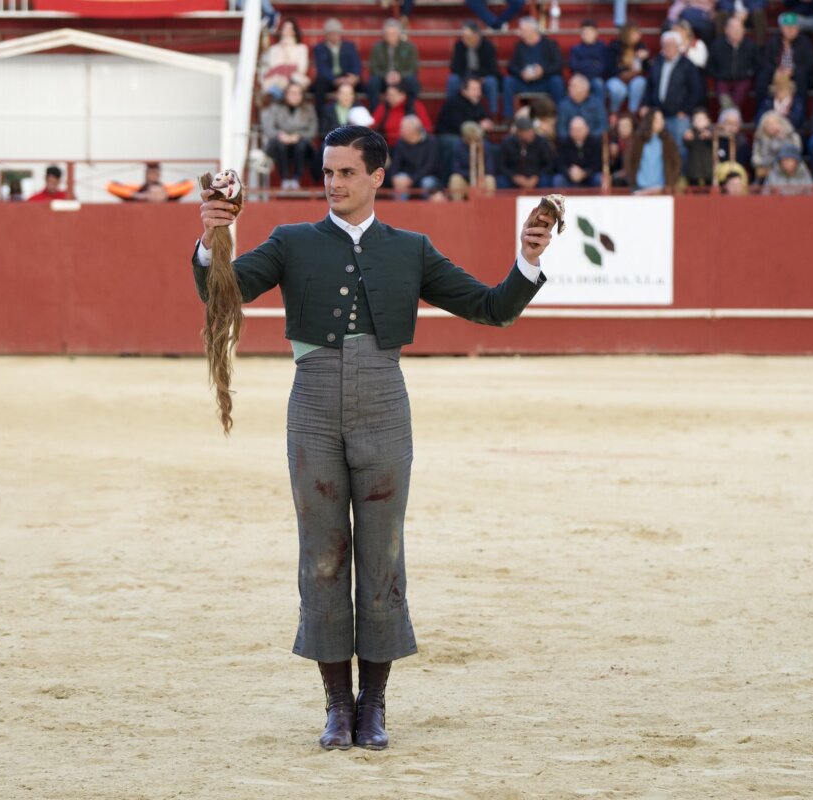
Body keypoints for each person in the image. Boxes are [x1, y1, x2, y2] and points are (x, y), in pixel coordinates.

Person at [192, 123, 552, 752]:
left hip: (384, 400)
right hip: (312, 399)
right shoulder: (292, 241)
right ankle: (337, 705)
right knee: (323, 551)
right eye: (327, 173)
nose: (334, 184)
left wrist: (528, 258)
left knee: (382, 552)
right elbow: (222, 294)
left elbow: (492, 307)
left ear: (378, 175)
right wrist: (211, 238)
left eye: (347, 173)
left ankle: (374, 705)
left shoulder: (409, 248)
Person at [645, 30, 704, 149]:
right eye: (665, 45)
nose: (668, 48)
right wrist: (645, 104)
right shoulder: (657, 62)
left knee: (679, 149)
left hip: (678, 115)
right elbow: (650, 85)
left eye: (671, 45)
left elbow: (695, 89)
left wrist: (686, 110)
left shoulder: (687, 65)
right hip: (658, 114)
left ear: (678, 46)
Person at [502, 16, 564, 118]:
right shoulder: (519, 46)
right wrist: (521, 73)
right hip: (525, 82)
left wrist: (543, 71)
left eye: (523, 30)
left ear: (533, 31)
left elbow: (558, 65)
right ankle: (508, 117)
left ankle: (559, 116)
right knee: (508, 81)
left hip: (544, 81)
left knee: (556, 81)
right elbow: (511, 67)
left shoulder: (549, 44)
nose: (520, 32)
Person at [263, 82, 318, 190]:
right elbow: (269, 128)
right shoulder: (275, 108)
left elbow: (312, 130)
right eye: (292, 93)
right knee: (280, 144)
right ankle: (284, 179)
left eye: (298, 93)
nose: (295, 96)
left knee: (301, 145)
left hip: (301, 143)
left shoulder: (309, 108)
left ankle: (296, 179)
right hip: (279, 142)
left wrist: (298, 136)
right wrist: (281, 135)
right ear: (286, 94)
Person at [758, 12, 813, 99]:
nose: (790, 30)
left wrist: (793, 71)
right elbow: (765, 61)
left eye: (793, 27)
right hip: (777, 73)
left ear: (798, 29)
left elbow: (810, 63)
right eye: (787, 27)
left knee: (801, 75)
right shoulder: (773, 41)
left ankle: (800, 109)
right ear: (782, 29)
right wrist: (775, 71)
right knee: (763, 76)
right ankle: (761, 109)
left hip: (795, 74)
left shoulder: (805, 42)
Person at [446, 22, 500, 116]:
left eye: (468, 36)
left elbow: (492, 69)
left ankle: (493, 114)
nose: (465, 39)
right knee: (453, 80)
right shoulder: (459, 46)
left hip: (482, 78)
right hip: (465, 77)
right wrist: (468, 78)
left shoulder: (488, 46)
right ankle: (451, 110)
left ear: (476, 35)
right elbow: (455, 67)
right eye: (463, 36)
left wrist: (477, 78)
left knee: (491, 82)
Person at [708, 16, 759, 112]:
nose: (737, 31)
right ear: (726, 30)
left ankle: (729, 113)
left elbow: (758, 64)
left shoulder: (751, 45)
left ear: (744, 30)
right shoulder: (717, 45)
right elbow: (710, 65)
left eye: (739, 28)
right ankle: (731, 114)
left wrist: (749, 73)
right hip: (723, 79)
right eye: (733, 28)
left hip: (743, 78)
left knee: (743, 87)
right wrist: (718, 75)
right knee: (721, 88)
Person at [625, 107, 681, 193]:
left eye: (662, 119)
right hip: (640, 188)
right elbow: (629, 160)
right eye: (657, 119)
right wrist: (632, 180)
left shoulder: (668, 141)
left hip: (661, 189)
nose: (661, 122)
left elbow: (676, 162)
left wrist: (671, 181)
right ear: (650, 120)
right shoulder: (638, 140)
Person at [310, 18, 362, 110]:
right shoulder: (319, 48)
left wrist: (354, 76)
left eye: (336, 33)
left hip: (346, 76)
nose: (334, 36)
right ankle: (321, 115)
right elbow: (322, 68)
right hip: (329, 79)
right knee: (319, 85)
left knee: (359, 86)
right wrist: (335, 79)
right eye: (331, 33)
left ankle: (356, 114)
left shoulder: (349, 46)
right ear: (326, 35)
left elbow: (356, 63)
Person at [366, 19, 420, 106]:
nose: (391, 36)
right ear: (384, 35)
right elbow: (374, 68)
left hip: (402, 79)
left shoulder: (410, 47)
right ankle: (374, 113)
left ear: (399, 34)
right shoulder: (377, 47)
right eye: (388, 34)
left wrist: (400, 75)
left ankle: (410, 112)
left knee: (413, 82)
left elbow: (413, 68)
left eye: (393, 34)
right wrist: (386, 76)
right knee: (372, 83)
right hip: (384, 79)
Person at [388, 115, 441, 200]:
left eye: (403, 128)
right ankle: (399, 210)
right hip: (406, 177)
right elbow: (395, 164)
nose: (400, 131)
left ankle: (427, 211)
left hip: (426, 176)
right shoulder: (400, 143)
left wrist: (412, 179)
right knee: (400, 179)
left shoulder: (431, 142)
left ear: (414, 130)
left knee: (427, 182)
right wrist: (394, 177)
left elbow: (430, 166)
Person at [496, 114, 555, 187]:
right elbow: (500, 165)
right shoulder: (507, 143)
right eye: (527, 132)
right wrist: (514, 176)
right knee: (501, 180)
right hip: (514, 176)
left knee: (546, 180)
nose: (531, 134)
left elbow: (549, 164)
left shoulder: (541, 142)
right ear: (519, 133)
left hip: (536, 176)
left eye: (532, 131)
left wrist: (536, 177)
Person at [261, 19, 310, 101]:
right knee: (275, 86)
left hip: (294, 80)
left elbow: (301, 69)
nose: (287, 32)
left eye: (290, 29)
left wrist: (288, 50)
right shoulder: (274, 49)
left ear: (294, 32)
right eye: (285, 28)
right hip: (276, 80)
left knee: (291, 86)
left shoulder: (301, 48)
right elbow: (273, 68)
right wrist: (282, 50)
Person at [371, 80, 431, 147]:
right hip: (387, 146)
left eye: (392, 95)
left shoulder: (415, 106)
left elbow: (427, 128)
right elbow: (372, 125)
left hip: (411, 145)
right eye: (387, 95)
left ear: (403, 95)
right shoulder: (383, 107)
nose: (388, 98)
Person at [447, 120, 497, 198]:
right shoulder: (457, 147)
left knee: (490, 179)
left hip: (481, 179)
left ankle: (487, 207)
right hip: (465, 179)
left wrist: (479, 176)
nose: (473, 139)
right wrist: (471, 174)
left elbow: (490, 168)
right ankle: (458, 207)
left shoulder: (485, 146)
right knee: (455, 179)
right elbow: (455, 169)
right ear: (464, 137)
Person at [607, 23, 650, 114]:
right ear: (627, 34)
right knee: (618, 89)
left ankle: (632, 113)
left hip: (634, 79)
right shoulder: (614, 47)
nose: (639, 35)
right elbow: (610, 69)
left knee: (640, 83)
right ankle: (614, 112)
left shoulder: (641, 47)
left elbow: (647, 69)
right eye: (636, 33)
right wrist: (627, 72)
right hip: (617, 78)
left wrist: (645, 59)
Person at [752, 110, 804, 180]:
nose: (771, 127)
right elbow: (755, 158)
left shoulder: (792, 136)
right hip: (767, 170)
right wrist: (763, 162)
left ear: (781, 123)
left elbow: (796, 153)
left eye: (774, 123)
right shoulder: (760, 138)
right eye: (768, 125)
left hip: (788, 170)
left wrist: (783, 140)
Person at [554, 115, 603, 187]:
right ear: (570, 131)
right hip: (570, 176)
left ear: (587, 129)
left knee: (598, 178)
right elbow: (560, 164)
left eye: (579, 129)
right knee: (558, 179)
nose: (577, 132)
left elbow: (597, 164)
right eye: (574, 130)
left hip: (588, 176)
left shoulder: (595, 143)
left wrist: (584, 173)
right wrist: (569, 172)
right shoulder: (563, 143)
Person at [568, 20, 611, 101]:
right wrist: (593, 64)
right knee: (575, 84)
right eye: (584, 32)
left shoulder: (603, 47)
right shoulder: (576, 49)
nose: (586, 35)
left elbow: (604, 68)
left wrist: (583, 65)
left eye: (589, 32)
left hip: (597, 78)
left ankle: (600, 112)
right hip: (580, 78)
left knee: (598, 83)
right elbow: (573, 66)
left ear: (596, 33)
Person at [557, 73, 608, 139]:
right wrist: (574, 138)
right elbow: (561, 129)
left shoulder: (597, 103)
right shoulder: (563, 105)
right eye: (569, 86)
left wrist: (588, 137)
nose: (569, 88)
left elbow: (603, 126)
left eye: (573, 86)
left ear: (584, 89)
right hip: (570, 144)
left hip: (592, 142)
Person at [682, 107, 715, 186]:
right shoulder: (690, 133)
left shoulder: (712, 133)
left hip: (709, 171)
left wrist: (711, 137)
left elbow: (717, 144)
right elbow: (685, 144)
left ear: (708, 121)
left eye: (701, 119)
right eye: (696, 119)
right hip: (693, 171)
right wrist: (686, 138)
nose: (699, 121)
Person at [715, 106, 752, 175]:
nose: (732, 127)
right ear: (721, 124)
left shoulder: (743, 142)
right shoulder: (715, 140)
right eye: (728, 123)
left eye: (735, 124)